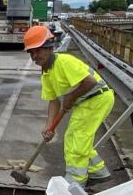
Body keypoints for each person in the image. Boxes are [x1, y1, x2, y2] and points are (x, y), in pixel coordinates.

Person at [24, 24, 114, 186]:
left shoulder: (64, 62)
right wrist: (49, 127)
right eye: (31, 52)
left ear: (50, 48)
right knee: (74, 138)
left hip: (97, 99)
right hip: (86, 102)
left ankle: (76, 183)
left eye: (38, 50)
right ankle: (97, 171)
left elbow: (90, 81)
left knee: (77, 139)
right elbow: (53, 101)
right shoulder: (46, 73)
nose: (35, 56)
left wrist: (71, 97)